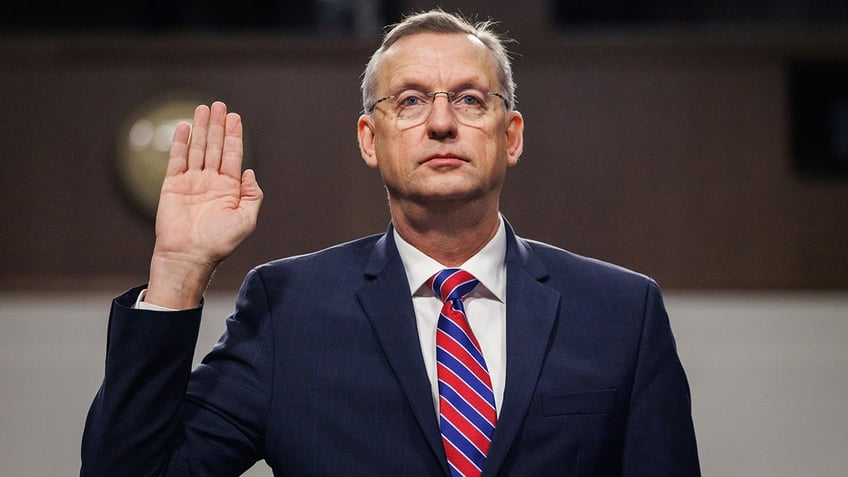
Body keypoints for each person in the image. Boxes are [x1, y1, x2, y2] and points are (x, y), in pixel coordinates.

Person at [81, 9, 700, 477]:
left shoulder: (622, 311)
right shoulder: (286, 310)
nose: (440, 122)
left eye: (468, 99)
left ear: (510, 136)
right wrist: (178, 270)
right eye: (409, 101)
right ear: (369, 140)